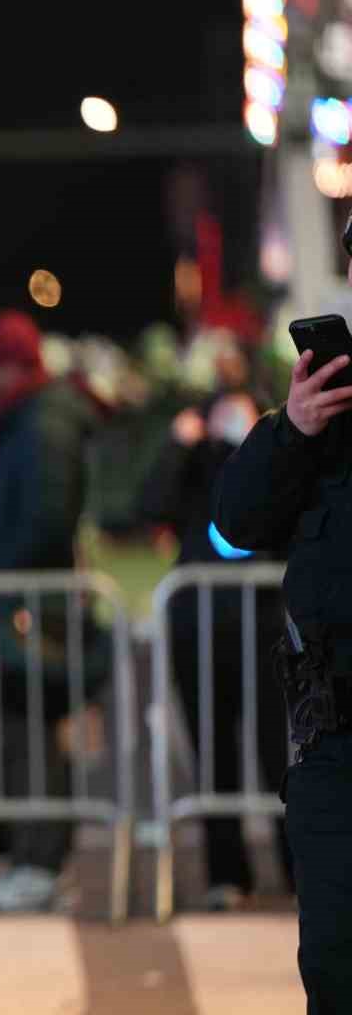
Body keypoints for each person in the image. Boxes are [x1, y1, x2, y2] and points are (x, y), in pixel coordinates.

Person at [213, 235, 352, 1015]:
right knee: (337, 974)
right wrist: (292, 430)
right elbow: (230, 531)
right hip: (334, 743)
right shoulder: (322, 405)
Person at [0, 309, 101, 913]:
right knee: (23, 733)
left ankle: (39, 864)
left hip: (27, 604)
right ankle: (32, 860)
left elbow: (46, 520)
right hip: (18, 601)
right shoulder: (28, 421)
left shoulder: (42, 424)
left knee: (30, 732)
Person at [139, 388, 291, 911]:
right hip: (197, 630)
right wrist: (178, 446)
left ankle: (296, 869)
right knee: (213, 755)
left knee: (279, 754)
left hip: (261, 626)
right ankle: (228, 874)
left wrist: (258, 442)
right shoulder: (193, 469)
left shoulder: (271, 457)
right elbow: (150, 506)